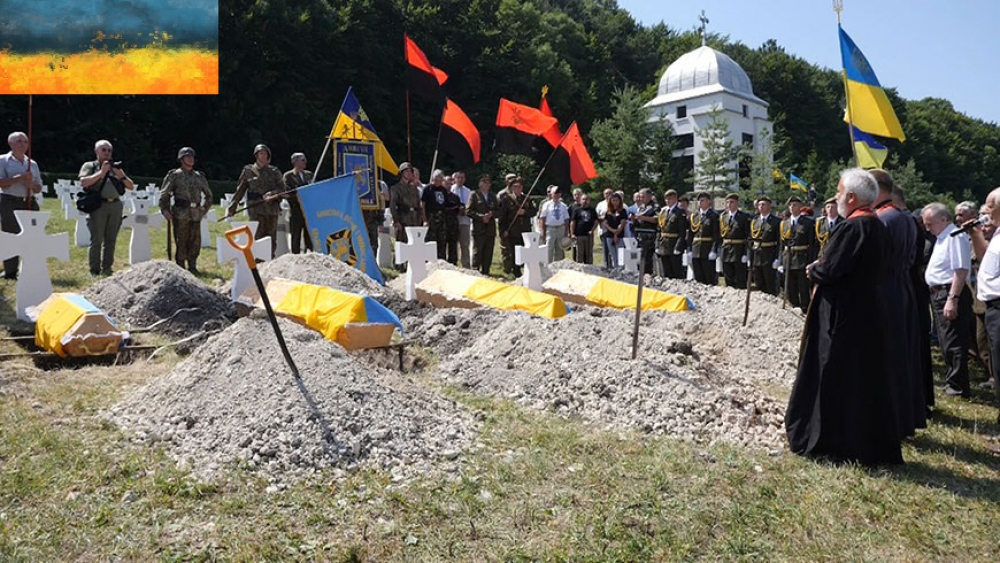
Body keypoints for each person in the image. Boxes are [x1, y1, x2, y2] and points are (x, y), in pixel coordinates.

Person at [785, 168, 902, 465]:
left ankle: (831, 440)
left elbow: (832, 269)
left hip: (843, 315)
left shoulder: (852, 227)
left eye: (838, 192)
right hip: (868, 312)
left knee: (837, 376)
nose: (835, 197)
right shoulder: (877, 226)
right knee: (863, 378)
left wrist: (815, 270)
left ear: (851, 197)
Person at [871, 168, 923, 436]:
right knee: (903, 357)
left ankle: (887, 419)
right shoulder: (905, 218)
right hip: (902, 288)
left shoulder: (883, 219)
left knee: (887, 358)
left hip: (885, 290)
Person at [923, 202, 974, 398]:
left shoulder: (955, 236)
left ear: (943, 219)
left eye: (930, 224)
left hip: (949, 292)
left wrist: (953, 298)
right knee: (946, 340)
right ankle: (952, 381)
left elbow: (960, 270)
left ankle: (958, 386)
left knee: (953, 340)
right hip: (939, 293)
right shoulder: (942, 237)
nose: (927, 228)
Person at [966, 186, 1000, 431]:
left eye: (989, 205)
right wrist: (976, 233)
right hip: (991, 306)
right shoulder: (996, 234)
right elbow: (984, 257)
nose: (985, 210)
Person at [78, 139, 135, 276]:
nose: (107, 153)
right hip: (98, 205)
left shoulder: (116, 167)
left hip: (115, 205)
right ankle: (95, 269)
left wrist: (121, 175)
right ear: (96, 151)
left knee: (111, 240)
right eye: (103, 150)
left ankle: (107, 267)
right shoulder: (90, 166)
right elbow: (84, 182)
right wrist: (101, 173)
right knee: (97, 239)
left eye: (109, 150)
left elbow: (130, 186)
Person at [159, 147, 213, 274]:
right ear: (181, 159)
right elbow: (165, 194)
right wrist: (165, 209)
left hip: (195, 214)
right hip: (180, 213)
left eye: (192, 156)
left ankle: (192, 265)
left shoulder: (199, 177)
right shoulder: (175, 175)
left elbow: (209, 195)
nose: (191, 159)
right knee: (181, 240)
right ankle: (181, 266)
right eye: (187, 156)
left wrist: (203, 210)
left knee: (195, 241)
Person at [227, 144, 283, 256]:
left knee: (271, 238)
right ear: (256, 155)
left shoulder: (274, 171)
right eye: (261, 153)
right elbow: (240, 190)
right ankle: (258, 260)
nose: (263, 156)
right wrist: (234, 205)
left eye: (265, 154)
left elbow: (282, 188)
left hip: (271, 210)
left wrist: (272, 194)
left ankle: (270, 259)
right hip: (256, 209)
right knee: (257, 236)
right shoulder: (248, 171)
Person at [0, 131, 42, 280]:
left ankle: (30, 267)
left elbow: (39, 188)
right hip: (10, 201)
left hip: (29, 201)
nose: (23, 144)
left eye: (25, 142)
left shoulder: (32, 163)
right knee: (11, 235)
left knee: (33, 235)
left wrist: (32, 185)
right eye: (19, 141)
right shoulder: (3, 161)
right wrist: (21, 178)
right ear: (10, 143)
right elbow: (1, 183)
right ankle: (10, 271)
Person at [779, 195, 816, 310]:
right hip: (788, 259)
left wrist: (810, 261)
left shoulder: (808, 223)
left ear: (800, 207)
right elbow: (782, 244)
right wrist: (780, 261)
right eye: (790, 205)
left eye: (794, 205)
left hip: (802, 258)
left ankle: (805, 309)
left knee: (803, 287)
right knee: (790, 287)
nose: (791, 207)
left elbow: (812, 244)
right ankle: (794, 306)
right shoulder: (784, 223)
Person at [497, 177, 537, 277]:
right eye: (515, 187)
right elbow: (502, 217)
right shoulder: (506, 200)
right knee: (514, 252)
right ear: (512, 188)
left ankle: (525, 270)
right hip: (513, 231)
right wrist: (503, 231)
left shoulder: (527, 199)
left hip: (525, 230)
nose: (517, 189)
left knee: (525, 251)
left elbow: (534, 211)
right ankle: (516, 271)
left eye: (519, 187)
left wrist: (525, 212)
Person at [421, 170, 460, 263]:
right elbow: (422, 205)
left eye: (440, 180)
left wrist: (456, 205)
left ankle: (441, 261)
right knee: (431, 241)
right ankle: (429, 262)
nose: (438, 182)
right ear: (433, 179)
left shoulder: (443, 190)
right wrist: (425, 220)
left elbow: (445, 203)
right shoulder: (427, 189)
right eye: (436, 179)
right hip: (431, 217)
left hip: (442, 219)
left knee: (442, 241)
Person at [281, 152, 314, 254]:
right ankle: (295, 256)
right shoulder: (288, 176)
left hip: (308, 211)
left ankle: (310, 253)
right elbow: (287, 193)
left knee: (309, 236)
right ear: (295, 162)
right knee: (296, 236)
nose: (305, 162)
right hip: (296, 211)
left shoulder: (309, 175)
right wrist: (301, 196)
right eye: (302, 160)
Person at [466, 174, 498, 276]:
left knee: (488, 252)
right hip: (479, 228)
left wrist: (492, 214)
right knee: (478, 251)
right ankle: (475, 271)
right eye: (484, 182)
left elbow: (499, 211)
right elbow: (468, 211)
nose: (487, 185)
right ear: (480, 184)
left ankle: (486, 271)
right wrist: (481, 217)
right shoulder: (474, 195)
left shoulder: (492, 196)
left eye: (488, 183)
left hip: (490, 228)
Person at [687, 191, 720, 285]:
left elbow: (716, 235)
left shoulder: (714, 216)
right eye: (699, 200)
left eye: (702, 200)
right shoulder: (694, 216)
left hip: (707, 249)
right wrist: (689, 249)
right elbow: (690, 235)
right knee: (698, 278)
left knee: (709, 277)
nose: (700, 202)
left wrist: (713, 250)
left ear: (709, 201)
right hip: (696, 250)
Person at [750, 196, 781, 295]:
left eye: (763, 204)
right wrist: (750, 257)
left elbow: (779, 242)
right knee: (758, 282)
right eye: (759, 205)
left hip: (769, 255)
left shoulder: (776, 221)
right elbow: (751, 240)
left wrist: (777, 258)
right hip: (757, 256)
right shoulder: (755, 221)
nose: (761, 207)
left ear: (769, 206)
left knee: (770, 283)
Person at [719, 193, 750, 289]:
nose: (729, 204)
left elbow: (748, 236)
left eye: (731, 202)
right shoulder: (723, 216)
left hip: (738, 251)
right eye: (727, 202)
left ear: (737, 203)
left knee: (740, 279)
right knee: (728, 278)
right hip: (726, 250)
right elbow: (720, 235)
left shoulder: (744, 217)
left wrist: (746, 253)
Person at [656, 189, 687, 279]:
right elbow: (659, 230)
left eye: (670, 199)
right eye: (666, 199)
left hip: (673, 244)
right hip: (664, 245)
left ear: (675, 199)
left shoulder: (680, 212)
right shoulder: (663, 212)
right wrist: (657, 244)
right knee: (666, 271)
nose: (667, 201)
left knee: (676, 271)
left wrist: (678, 247)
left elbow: (682, 233)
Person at [388, 162, 422, 246]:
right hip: (403, 220)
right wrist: (396, 221)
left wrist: (419, 220)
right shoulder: (396, 188)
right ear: (402, 173)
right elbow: (392, 205)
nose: (409, 173)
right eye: (406, 171)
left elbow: (418, 205)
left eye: (410, 171)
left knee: (414, 245)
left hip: (414, 221)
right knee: (402, 245)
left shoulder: (414, 188)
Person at [630, 188, 658, 275]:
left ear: (649, 196)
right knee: (639, 258)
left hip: (649, 236)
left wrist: (644, 218)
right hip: (640, 235)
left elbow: (657, 219)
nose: (640, 199)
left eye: (643, 197)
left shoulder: (655, 206)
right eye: (639, 197)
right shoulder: (641, 207)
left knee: (647, 260)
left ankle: (647, 276)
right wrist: (634, 219)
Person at [538, 185, 569, 263]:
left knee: (560, 248)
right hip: (550, 228)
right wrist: (542, 231)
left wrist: (566, 232)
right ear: (551, 194)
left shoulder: (563, 206)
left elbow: (566, 219)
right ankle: (548, 264)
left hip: (560, 228)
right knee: (549, 247)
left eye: (558, 193)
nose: (557, 195)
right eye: (555, 193)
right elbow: (542, 218)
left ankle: (559, 264)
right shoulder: (546, 205)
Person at [451, 170, 473, 268]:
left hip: (465, 221)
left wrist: (465, 210)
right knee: (452, 244)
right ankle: (453, 264)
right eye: (458, 177)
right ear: (454, 179)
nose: (460, 179)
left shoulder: (468, 191)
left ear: (464, 179)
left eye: (462, 178)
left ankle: (466, 265)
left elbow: (470, 205)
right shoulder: (451, 189)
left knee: (465, 244)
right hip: (454, 221)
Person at [601, 192, 628, 270]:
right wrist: (613, 231)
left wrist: (616, 234)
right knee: (613, 256)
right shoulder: (608, 212)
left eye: (616, 200)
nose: (615, 202)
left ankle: (621, 271)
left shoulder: (623, 211)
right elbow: (605, 224)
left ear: (619, 201)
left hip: (620, 236)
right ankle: (615, 270)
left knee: (621, 256)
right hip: (609, 235)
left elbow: (623, 223)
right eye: (613, 200)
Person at [569, 194, 597, 264]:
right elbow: (573, 222)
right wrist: (572, 233)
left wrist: (592, 230)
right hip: (579, 235)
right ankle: (579, 269)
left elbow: (596, 221)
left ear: (589, 201)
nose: (585, 201)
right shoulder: (577, 210)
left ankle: (589, 268)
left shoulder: (592, 210)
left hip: (589, 235)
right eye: (583, 199)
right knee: (579, 254)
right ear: (580, 200)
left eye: (586, 199)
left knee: (589, 254)